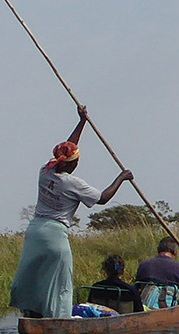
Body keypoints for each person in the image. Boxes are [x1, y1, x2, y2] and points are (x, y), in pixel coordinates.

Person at [10, 106, 134, 319]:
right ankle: (59, 319)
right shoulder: (73, 184)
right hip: (55, 235)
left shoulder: (45, 171)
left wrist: (81, 122)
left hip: (35, 231)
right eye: (77, 160)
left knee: (36, 275)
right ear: (73, 163)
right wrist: (121, 178)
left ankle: (33, 313)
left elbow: (67, 148)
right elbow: (103, 198)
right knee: (61, 282)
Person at [134, 237, 179, 306]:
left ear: (158, 250)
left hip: (145, 308)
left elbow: (136, 289)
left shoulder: (143, 265)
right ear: (175, 253)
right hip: (172, 308)